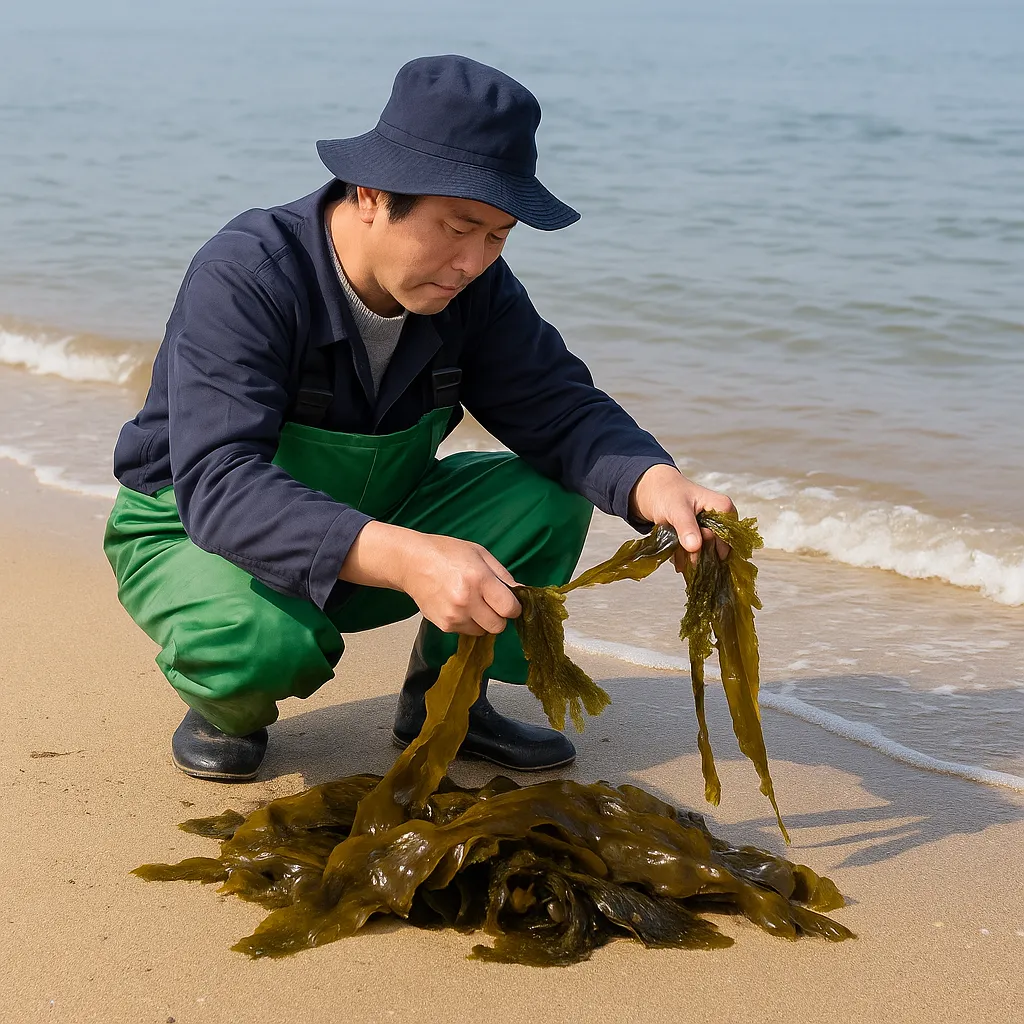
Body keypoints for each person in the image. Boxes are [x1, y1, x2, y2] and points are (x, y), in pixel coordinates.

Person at [105, 54, 735, 782]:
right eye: (459, 227)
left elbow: (559, 408)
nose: (473, 261)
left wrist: (656, 484)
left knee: (553, 493)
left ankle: (448, 702)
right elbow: (220, 485)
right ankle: (226, 705)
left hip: (377, 517)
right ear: (372, 195)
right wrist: (411, 557)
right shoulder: (248, 274)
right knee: (262, 645)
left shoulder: (475, 290)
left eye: (498, 235)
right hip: (193, 530)